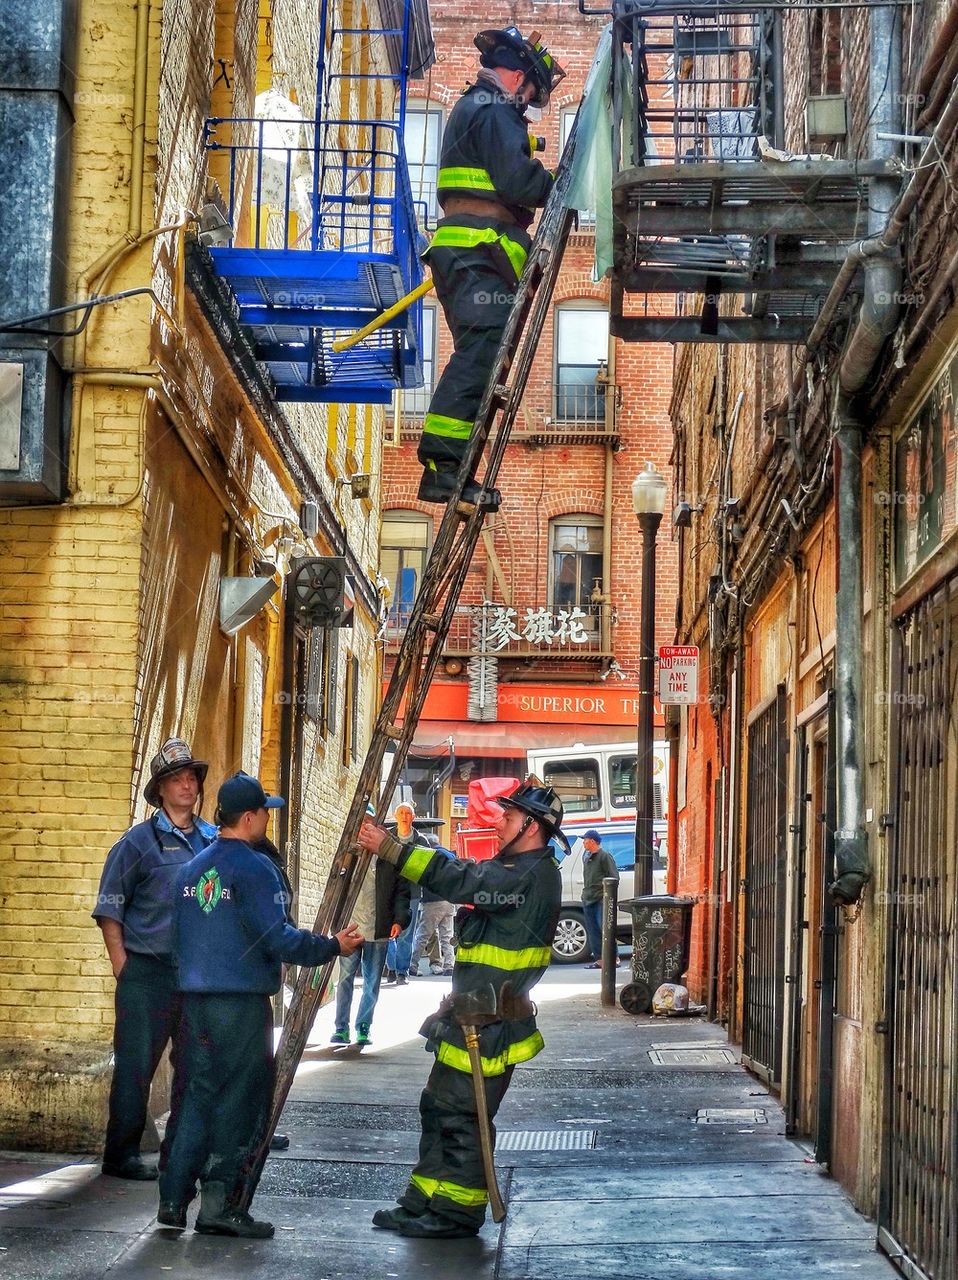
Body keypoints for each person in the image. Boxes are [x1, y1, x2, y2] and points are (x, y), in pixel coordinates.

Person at [158, 772, 363, 1237]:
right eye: (265, 812)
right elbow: (278, 938)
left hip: (193, 1004)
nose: (268, 819)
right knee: (238, 1102)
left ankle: (172, 1200)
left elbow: (178, 940)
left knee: (194, 1097)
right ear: (248, 818)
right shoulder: (254, 869)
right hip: (241, 1006)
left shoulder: (191, 870)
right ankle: (219, 1208)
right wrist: (332, 946)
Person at [357, 779, 564, 1239]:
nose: (499, 822)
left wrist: (393, 850)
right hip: (470, 1016)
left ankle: (455, 1214)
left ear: (532, 827)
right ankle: (425, 1200)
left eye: (509, 817)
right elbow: (471, 872)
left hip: (489, 1025)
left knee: (463, 1117)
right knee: (438, 1107)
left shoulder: (528, 874)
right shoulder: (517, 866)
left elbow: (465, 879)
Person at [416, 26, 565, 509]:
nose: (527, 104)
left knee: (480, 355)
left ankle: (454, 469)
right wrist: (562, 184)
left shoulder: (474, 107)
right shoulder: (496, 109)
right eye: (530, 95)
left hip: (468, 255)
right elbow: (519, 182)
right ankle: (442, 466)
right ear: (517, 78)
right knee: (480, 354)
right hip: (477, 253)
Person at [93, 738, 216, 1180]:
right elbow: (110, 908)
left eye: (191, 777)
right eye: (176, 778)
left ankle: (181, 1152)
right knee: (136, 1067)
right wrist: (122, 964)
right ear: (159, 790)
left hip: (195, 976)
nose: (186, 784)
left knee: (193, 1066)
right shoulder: (137, 844)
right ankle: (120, 1154)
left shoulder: (212, 842)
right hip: (145, 973)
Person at [331, 833, 411, 1046]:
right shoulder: (349, 855)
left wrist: (400, 920)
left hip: (379, 929)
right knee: (346, 978)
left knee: (372, 981)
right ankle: (341, 1027)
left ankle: (363, 1026)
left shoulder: (389, 858)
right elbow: (335, 886)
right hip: (350, 928)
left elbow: (402, 893)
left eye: (369, 824)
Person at [580, 829, 619, 969]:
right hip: (588, 897)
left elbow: (614, 877)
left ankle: (614, 958)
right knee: (593, 930)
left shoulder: (604, 856)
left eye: (585, 840)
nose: (583, 843)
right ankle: (599, 960)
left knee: (605, 928)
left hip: (601, 898)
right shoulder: (586, 856)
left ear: (592, 841)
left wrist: (606, 895)